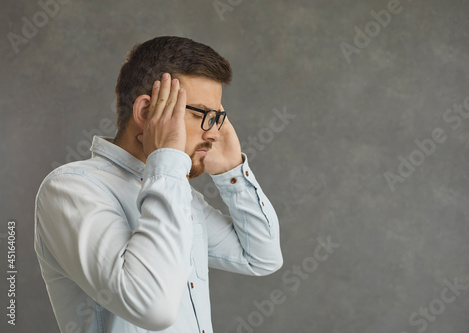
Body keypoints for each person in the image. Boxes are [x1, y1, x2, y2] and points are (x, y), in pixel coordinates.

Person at [34, 36, 283, 333]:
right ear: (145, 113)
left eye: (217, 117)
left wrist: (232, 173)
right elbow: (153, 309)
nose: (215, 133)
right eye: (203, 114)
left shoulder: (176, 192)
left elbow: (261, 257)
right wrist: (167, 161)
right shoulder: (71, 190)